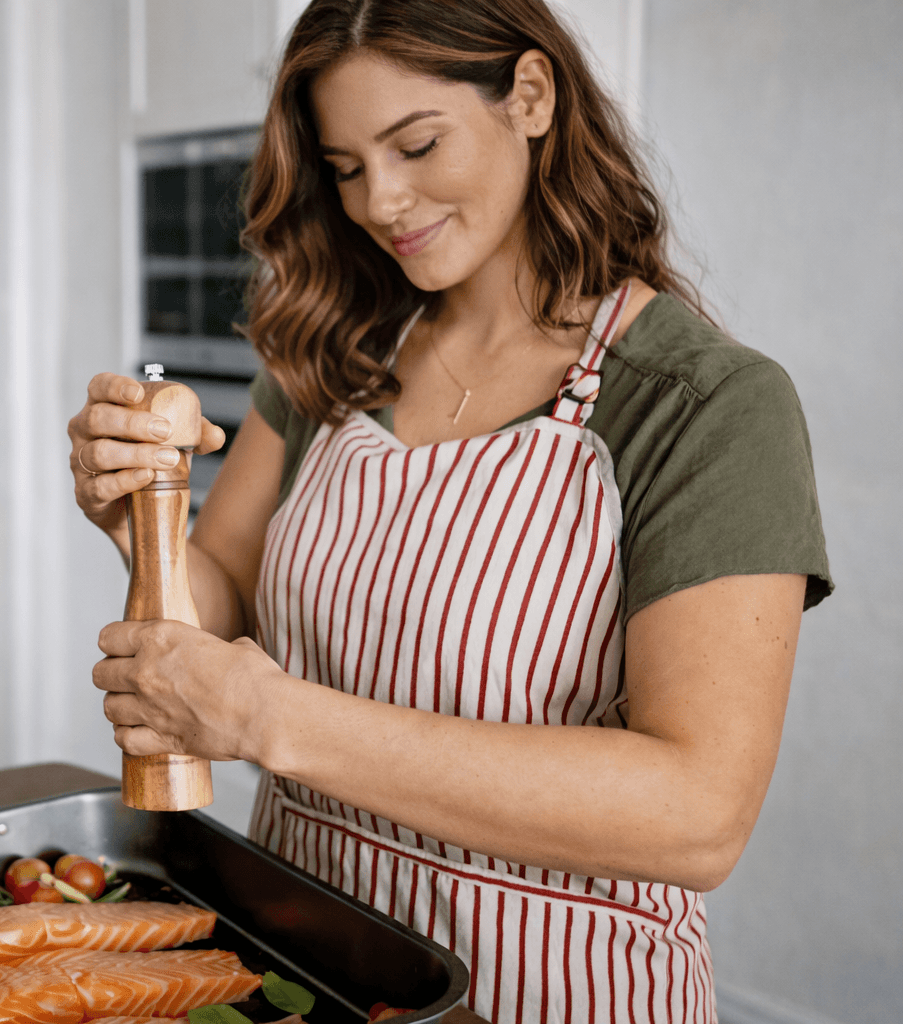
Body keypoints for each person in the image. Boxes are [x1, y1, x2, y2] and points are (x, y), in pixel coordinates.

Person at [68, 0, 830, 1020]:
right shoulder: (327, 357)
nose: (380, 200)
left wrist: (271, 716)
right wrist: (138, 518)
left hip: (556, 992)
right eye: (344, 167)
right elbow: (224, 596)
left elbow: (697, 815)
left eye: (416, 144)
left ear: (531, 94)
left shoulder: (704, 405)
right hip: (304, 971)